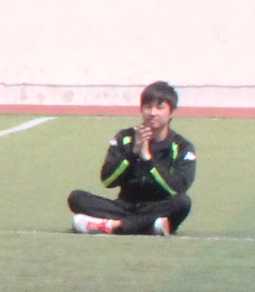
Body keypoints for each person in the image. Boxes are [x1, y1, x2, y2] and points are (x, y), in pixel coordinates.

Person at [67, 82, 195, 236]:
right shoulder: (125, 137)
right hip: (124, 206)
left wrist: (148, 159)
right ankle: (149, 226)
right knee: (77, 198)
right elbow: (107, 180)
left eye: (159, 107)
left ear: (171, 112)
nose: (152, 113)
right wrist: (133, 154)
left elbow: (177, 188)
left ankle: (114, 226)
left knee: (182, 202)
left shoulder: (182, 146)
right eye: (148, 107)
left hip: (158, 207)